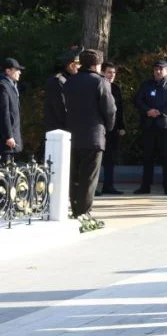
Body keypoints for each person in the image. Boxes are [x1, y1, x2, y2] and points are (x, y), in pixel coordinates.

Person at [63, 50, 116, 219]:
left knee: (74, 176)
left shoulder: (70, 81)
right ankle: (83, 212)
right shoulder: (101, 82)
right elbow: (109, 109)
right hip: (93, 136)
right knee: (89, 178)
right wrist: (109, 127)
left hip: (72, 135)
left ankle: (75, 207)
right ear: (96, 65)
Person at [133, 61, 167, 195]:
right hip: (149, 125)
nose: (158, 71)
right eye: (156, 69)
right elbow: (138, 100)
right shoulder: (146, 84)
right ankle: (145, 187)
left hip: (166, 125)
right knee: (147, 157)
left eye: (161, 69)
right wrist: (147, 110)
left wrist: (160, 111)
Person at [97, 62, 126, 195]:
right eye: (109, 72)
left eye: (114, 73)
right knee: (97, 159)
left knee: (110, 159)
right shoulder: (98, 85)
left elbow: (119, 110)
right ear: (102, 72)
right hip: (99, 127)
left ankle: (109, 185)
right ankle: (94, 187)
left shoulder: (116, 88)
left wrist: (121, 126)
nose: (112, 75)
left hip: (113, 128)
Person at [43, 47, 81, 132]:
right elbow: (61, 109)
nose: (80, 67)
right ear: (71, 65)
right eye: (78, 64)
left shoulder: (71, 79)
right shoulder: (57, 81)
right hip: (59, 130)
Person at [0, 58, 24, 163]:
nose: (19, 72)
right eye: (16, 69)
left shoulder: (12, 85)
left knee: (11, 173)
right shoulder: (3, 86)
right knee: (6, 172)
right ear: (8, 71)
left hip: (12, 136)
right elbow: (4, 112)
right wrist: (9, 136)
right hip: (6, 139)